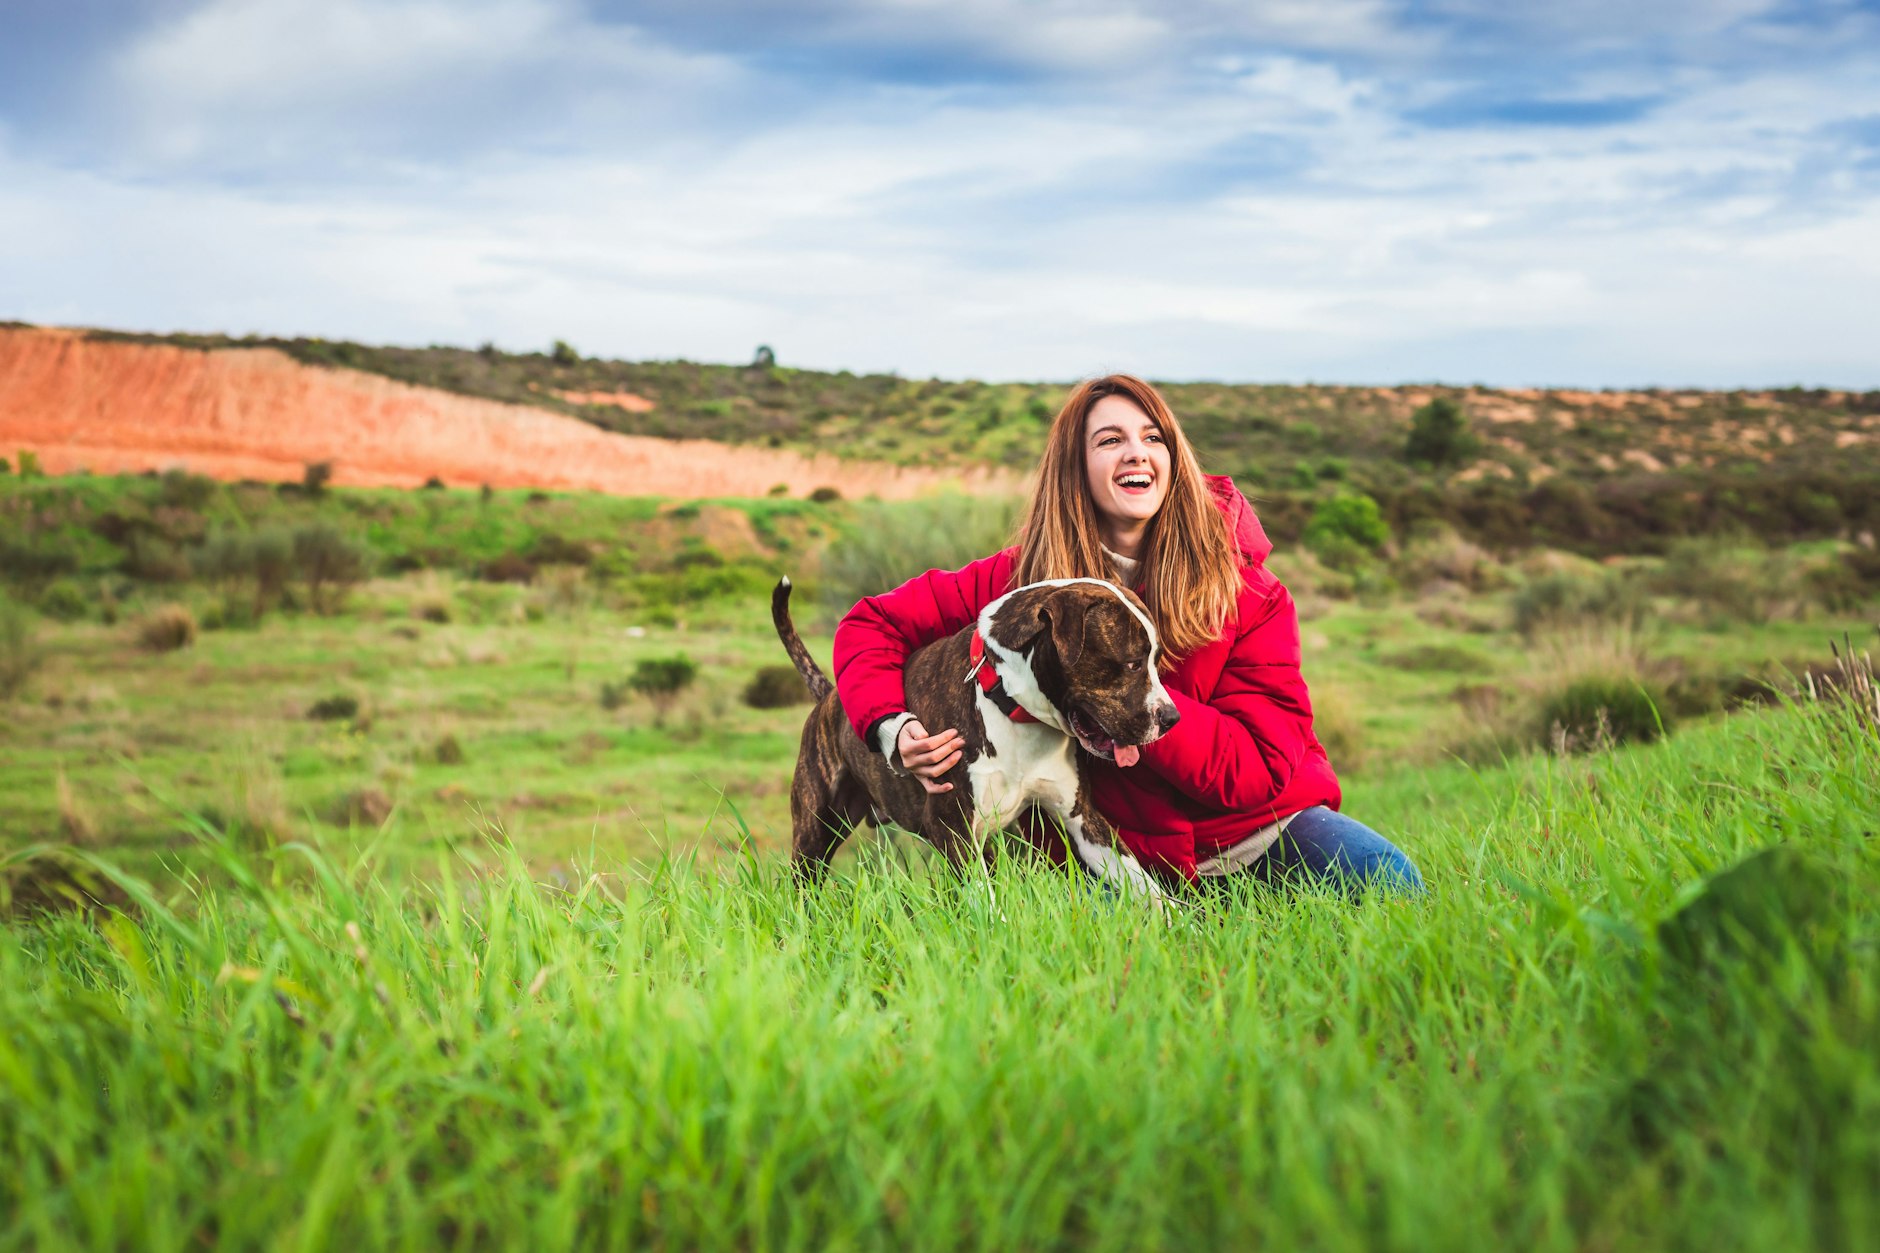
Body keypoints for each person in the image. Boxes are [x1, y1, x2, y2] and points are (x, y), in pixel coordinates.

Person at [831, 374, 1423, 894]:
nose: (1136, 454)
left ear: (1174, 458)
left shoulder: (1249, 593)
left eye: (1153, 437)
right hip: (1095, 856)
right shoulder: (1022, 588)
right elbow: (871, 624)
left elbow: (1259, 767)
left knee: (1395, 885)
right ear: (1075, 466)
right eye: (1110, 440)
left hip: (1252, 834)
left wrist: (1135, 703)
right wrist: (892, 726)